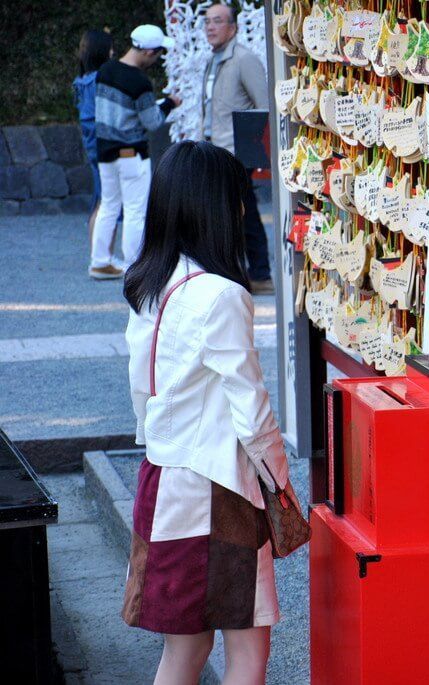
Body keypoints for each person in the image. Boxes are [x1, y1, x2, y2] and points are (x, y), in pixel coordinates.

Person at [122, 141, 289, 683]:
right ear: (215, 207)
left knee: (183, 654)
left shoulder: (149, 283)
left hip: (163, 482)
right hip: (220, 490)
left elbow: (140, 395)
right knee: (247, 653)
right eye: (238, 200)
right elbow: (252, 410)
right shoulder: (220, 294)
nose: (244, 211)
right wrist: (282, 489)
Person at [90, 24, 180, 280]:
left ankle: (99, 262)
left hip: (105, 151)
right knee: (135, 210)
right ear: (149, 51)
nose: (158, 58)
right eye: (159, 52)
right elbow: (151, 121)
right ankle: (135, 266)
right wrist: (170, 104)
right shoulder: (139, 81)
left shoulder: (104, 71)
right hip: (131, 154)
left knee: (108, 205)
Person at [202, 3, 274, 295]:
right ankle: (246, 273)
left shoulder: (244, 59)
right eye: (207, 21)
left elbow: (264, 106)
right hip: (214, 151)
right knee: (234, 215)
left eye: (217, 21)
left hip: (235, 154)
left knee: (244, 215)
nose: (210, 27)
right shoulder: (214, 59)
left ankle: (260, 275)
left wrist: (253, 153)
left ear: (233, 27)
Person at [72, 29, 114, 252]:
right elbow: (93, 118)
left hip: (94, 146)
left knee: (101, 198)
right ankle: (100, 255)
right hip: (102, 147)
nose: (113, 52)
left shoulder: (82, 81)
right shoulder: (97, 81)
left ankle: (99, 253)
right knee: (105, 201)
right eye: (110, 48)